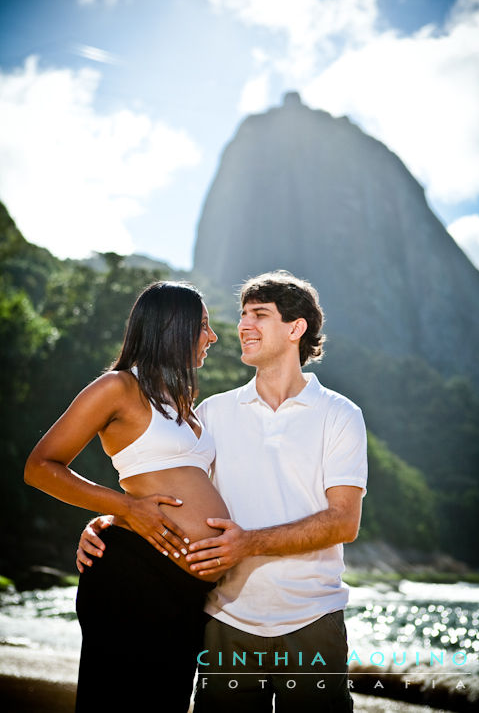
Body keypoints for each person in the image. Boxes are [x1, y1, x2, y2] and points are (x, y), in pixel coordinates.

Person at [78, 270, 368, 713]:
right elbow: (163, 478)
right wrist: (109, 519)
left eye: (259, 315)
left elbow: (344, 522)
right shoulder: (208, 414)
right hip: (223, 617)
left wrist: (248, 543)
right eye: (243, 314)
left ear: (296, 328)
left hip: (313, 619)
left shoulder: (340, 415)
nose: (242, 326)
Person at [24, 281, 230, 713]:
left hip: (186, 592)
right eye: (204, 326)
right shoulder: (118, 388)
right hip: (132, 578)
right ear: (173, 328)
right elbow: (41, 466)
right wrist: (122, 509)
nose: (211, 337)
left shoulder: (185, 404)